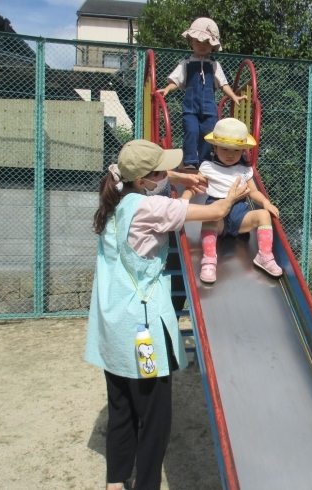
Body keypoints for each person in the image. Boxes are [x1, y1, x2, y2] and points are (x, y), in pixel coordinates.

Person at [84, 139, 249, 490]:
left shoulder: (117, 192)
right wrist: (231, 198)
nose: (165, 174)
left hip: (112, 326)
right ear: (146, 178)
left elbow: (158, 194)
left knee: (121, 407)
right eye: (160, 171)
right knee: (155, 418)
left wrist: (181, 181)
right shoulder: (151, 208)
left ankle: (115, 481)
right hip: (140, 327)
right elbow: (216, 213)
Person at [182, 118, 283, 283]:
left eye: (236, 151)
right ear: (214, 147)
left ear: (243, 150)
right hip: (218, 218)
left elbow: (254, 192)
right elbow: (195, 186)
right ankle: (209, 259)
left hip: (240, 217)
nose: (230, 155)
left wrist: (266, 203)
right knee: (210, 216)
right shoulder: (208, 167)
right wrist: (184, 199)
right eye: (225, 149)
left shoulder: (244, 170)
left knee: (263, 215)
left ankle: (264, 255)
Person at [157, 17, 247, 170]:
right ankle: (191, 161)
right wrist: (167, 89)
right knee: (191, 131)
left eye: (207, 43)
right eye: (198, 41)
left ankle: (205, 162)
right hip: (190, 108)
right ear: (191, 41)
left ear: (212, 45)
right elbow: (176, 80)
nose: (202, 46)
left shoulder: (214, 65)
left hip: (209, 108)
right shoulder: (186, 63)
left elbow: (223, 83)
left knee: (208, 133)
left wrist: (234, 96)